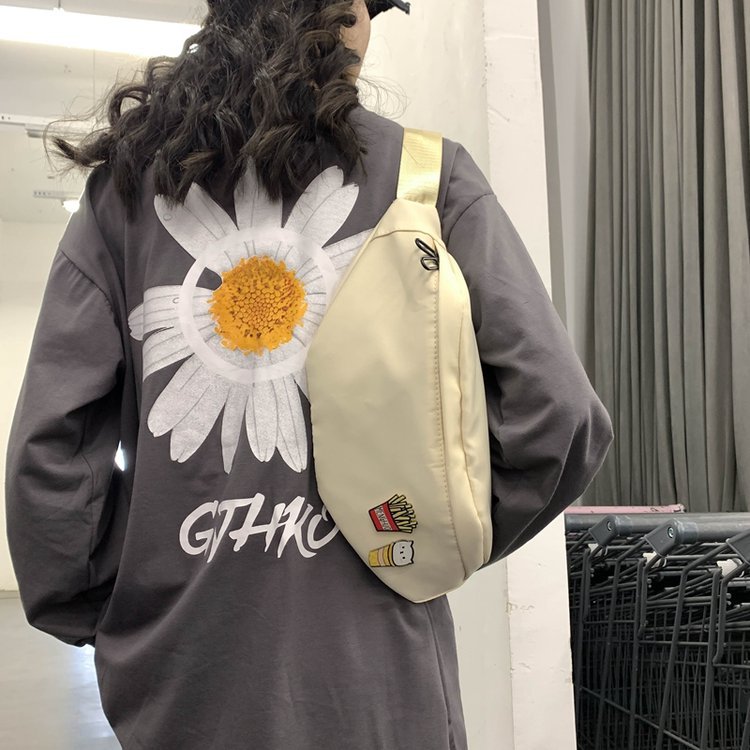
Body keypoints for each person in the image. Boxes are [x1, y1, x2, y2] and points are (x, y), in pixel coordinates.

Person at [4, 1, 614, 748]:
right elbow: (558, 414)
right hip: (379, 681)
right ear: (344, 19)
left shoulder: (121, 196)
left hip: (184, 681)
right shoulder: (426, 177)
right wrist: (429, 536)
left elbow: (51, 452)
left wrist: (105, 603)